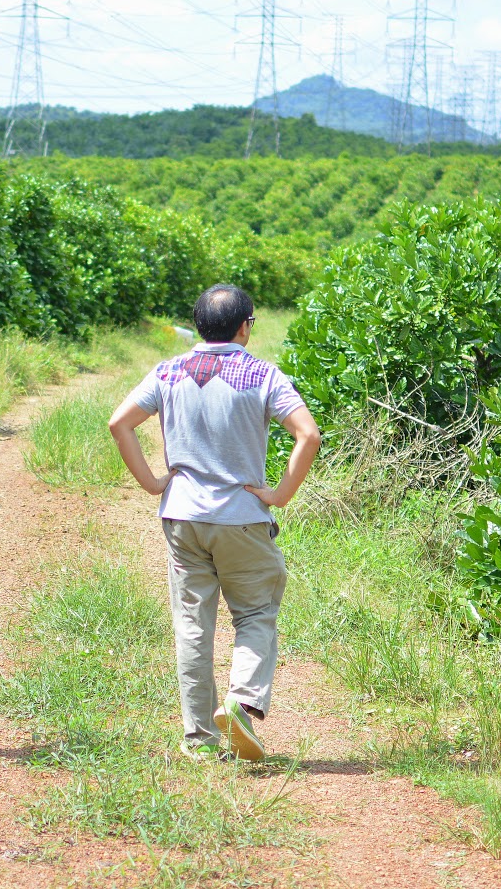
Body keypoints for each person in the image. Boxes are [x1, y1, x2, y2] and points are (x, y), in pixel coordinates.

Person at [109, 284, 321, 762]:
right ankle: (243, 700)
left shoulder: (167, 371)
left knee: (192, 625)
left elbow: (119, 423)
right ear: (245, 325)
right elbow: (308, 434)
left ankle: (200, 741)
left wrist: (152, 482)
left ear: (199, 324)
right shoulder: (262, 374)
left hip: (182, 516)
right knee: (255, 612)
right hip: (242, 517)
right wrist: (279, 495)